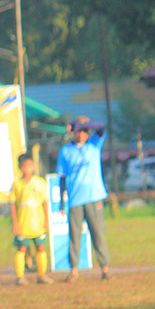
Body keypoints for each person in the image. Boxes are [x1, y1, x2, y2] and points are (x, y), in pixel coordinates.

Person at [57, 116, 112, 281]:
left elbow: (101, 125)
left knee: (98, 234)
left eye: (84, 131)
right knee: (74, 236)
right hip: (75, 199)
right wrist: (62, 202)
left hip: (94, 197)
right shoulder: (65, 151)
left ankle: (105, 267)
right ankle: (73, 269)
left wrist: (80, 124)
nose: (81, 134)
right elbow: (62, 178)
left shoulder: (94, 145)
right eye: (78, 131)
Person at [9, 153, 53, 286]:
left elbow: (45, 202)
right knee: (21, 249)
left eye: (29, 166)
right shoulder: (17, 184)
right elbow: (12, 204)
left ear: (33, 166)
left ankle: (42, 275)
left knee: (40, 248)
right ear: (20, 168)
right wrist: (15, 224)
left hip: (38, 223)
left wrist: (46, 219)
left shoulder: (40, 183)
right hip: (23, 224)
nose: (27, 169)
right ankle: (20, 277)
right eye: (24, 167)